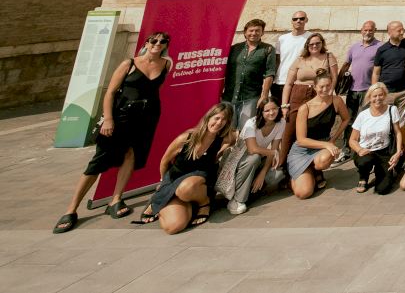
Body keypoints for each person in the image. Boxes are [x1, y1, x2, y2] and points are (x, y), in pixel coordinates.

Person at [54, 31, 172, 233]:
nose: (158, 44)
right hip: (121, 115)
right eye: (154, 40)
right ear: (146, 43)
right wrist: (108, 119)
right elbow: (110, 92)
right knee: (99, 161)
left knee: (131, 154)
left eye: (163, 41)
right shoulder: (129, 63)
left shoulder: (166, 64)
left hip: (146, 116)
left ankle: (116, 199)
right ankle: (71, 209)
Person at [134, 102, 236, 234]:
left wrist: (224, 151)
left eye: (224, 120)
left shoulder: (224, 139)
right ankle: (167, 201)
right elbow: (164, 161)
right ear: (208, 117)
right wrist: (163, 183)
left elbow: (241, 136)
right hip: (175, 182)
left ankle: (203, 203)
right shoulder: (186, 138)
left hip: (197, 186)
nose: (219, 123)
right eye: (216, 118)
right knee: (173, 227)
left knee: (186, 188)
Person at [287, 68, 350, 199]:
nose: (325, 89)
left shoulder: (336, 101)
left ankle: (315, 171)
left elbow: (346, 119)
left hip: (322, 148)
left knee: (324, 159)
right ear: (315, 87)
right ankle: (302, 173)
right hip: (302, 150)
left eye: (328, 85)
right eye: (321, 86)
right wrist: (327, 145)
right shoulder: (305, 108)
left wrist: (333, 140)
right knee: (303, 194)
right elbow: (301, 140)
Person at [280, 31, 339, 157]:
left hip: (319, 95)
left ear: (322, 43)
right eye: (311, 44)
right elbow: (288, 83)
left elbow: (334, 78)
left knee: (313, 130)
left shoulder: (329, 57)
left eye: (317, 43)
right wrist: (284, 105)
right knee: (289, 130)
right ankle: (282, 163)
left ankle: (311, 164)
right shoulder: (300, 60)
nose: (314, 46)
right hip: (298, 94)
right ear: (307, 45)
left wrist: (328, 94)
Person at [225, 97, 286, 215]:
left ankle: (248, 193)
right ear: (261, 112)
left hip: (258, 159)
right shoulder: (251, 123)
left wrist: (262, 173)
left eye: (274, 109)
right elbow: (252, 149)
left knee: (277, 174)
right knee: (255, 157)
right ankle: (238, 200)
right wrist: (274, 153)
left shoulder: (281, 123)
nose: (271, 112)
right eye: (267, 110)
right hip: (240, 161)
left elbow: (273, 150)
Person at [348, 81, 402, 194]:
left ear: (385, 95)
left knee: (383, 189)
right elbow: (352, 140)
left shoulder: (392, 110)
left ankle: (383, 171)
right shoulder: (363, 115)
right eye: (374, 96)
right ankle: (363, 176)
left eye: (380, 95)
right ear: (369, 98)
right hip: (366, 152)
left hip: (384, 151)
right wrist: (359, 150)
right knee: (364, 162)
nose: (378, 98)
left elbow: (398, 132)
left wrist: (398, 153)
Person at [224, 18, 277, 129]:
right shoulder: (234, 49)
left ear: (262, 32)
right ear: (245, 32)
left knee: (246, 129)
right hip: (229, 96)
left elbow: (270, 73)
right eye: (251, 30)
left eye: (257, 30)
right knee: (228, 129)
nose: (254, 33)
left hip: (251, 97)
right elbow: (223, 70)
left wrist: (264, 95)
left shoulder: (268, 49)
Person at [342, 20, 381, 127]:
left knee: (365, 119)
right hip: (352, 90)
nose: (367, 32)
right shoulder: (354, 47)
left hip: (368, 90)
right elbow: (346, 65)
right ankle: (348, 138)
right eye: (365, 30)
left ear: (375, 30)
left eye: (370, 30)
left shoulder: (380, 47)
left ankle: (361, 138)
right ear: (361, 30)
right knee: (349, 119)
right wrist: (339, 84)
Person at [372, 20, 405, 104]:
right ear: (390, 32)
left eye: (403, 30)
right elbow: (376, 73)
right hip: (387, 92)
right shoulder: (382, 50)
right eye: (399, 30)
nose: (402, 32)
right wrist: (375, 91)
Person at [273, 10, 309, 103]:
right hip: (280, 81)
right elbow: (277, 60)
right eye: (295, 19)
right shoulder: (282, 39)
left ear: (306, 20)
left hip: (299, 82)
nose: (298, 21)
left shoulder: (311, 38)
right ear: (291, 21)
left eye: (301, 18)